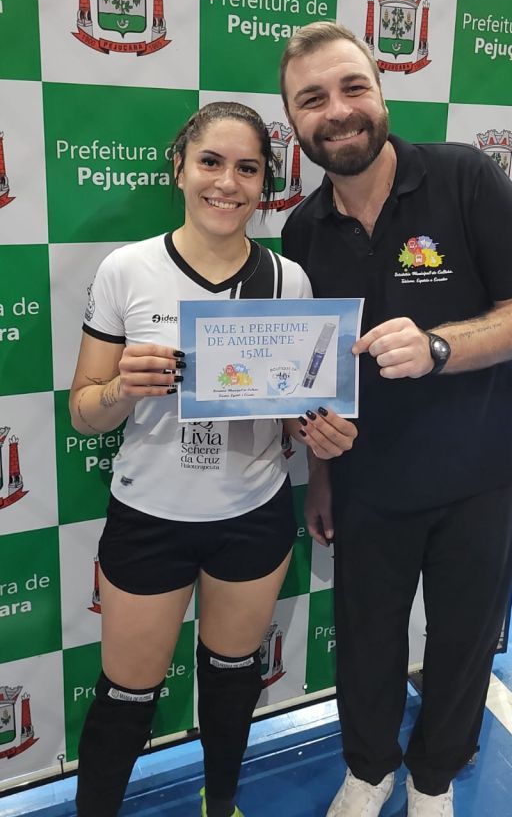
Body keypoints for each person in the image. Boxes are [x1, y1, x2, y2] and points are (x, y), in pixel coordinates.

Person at [279, 22, 512, 817]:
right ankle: (370, 769)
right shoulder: (302, 231)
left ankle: (434, 778)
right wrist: (320, 471)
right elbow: (317, 376)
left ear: (381, 93)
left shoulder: (464, 177)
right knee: (367, 644)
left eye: (352, 87)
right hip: (367, 486)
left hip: (480, 476)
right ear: (294, 122)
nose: (338, 110)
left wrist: (439, 346)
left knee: (463, 643)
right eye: (312, 99)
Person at [69, 100, 356, 817]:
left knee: (231, 681)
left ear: (264, 184)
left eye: (247, 168)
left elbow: (296, 409)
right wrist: (121, 387)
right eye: (211, 162)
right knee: (125, 697)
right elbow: (83, 411)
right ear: (180, 169)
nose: (227, 182)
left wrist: (321, 432)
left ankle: (219, 804)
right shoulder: (127, 270)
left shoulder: (288, 280)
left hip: (252, 514)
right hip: (149, 515)